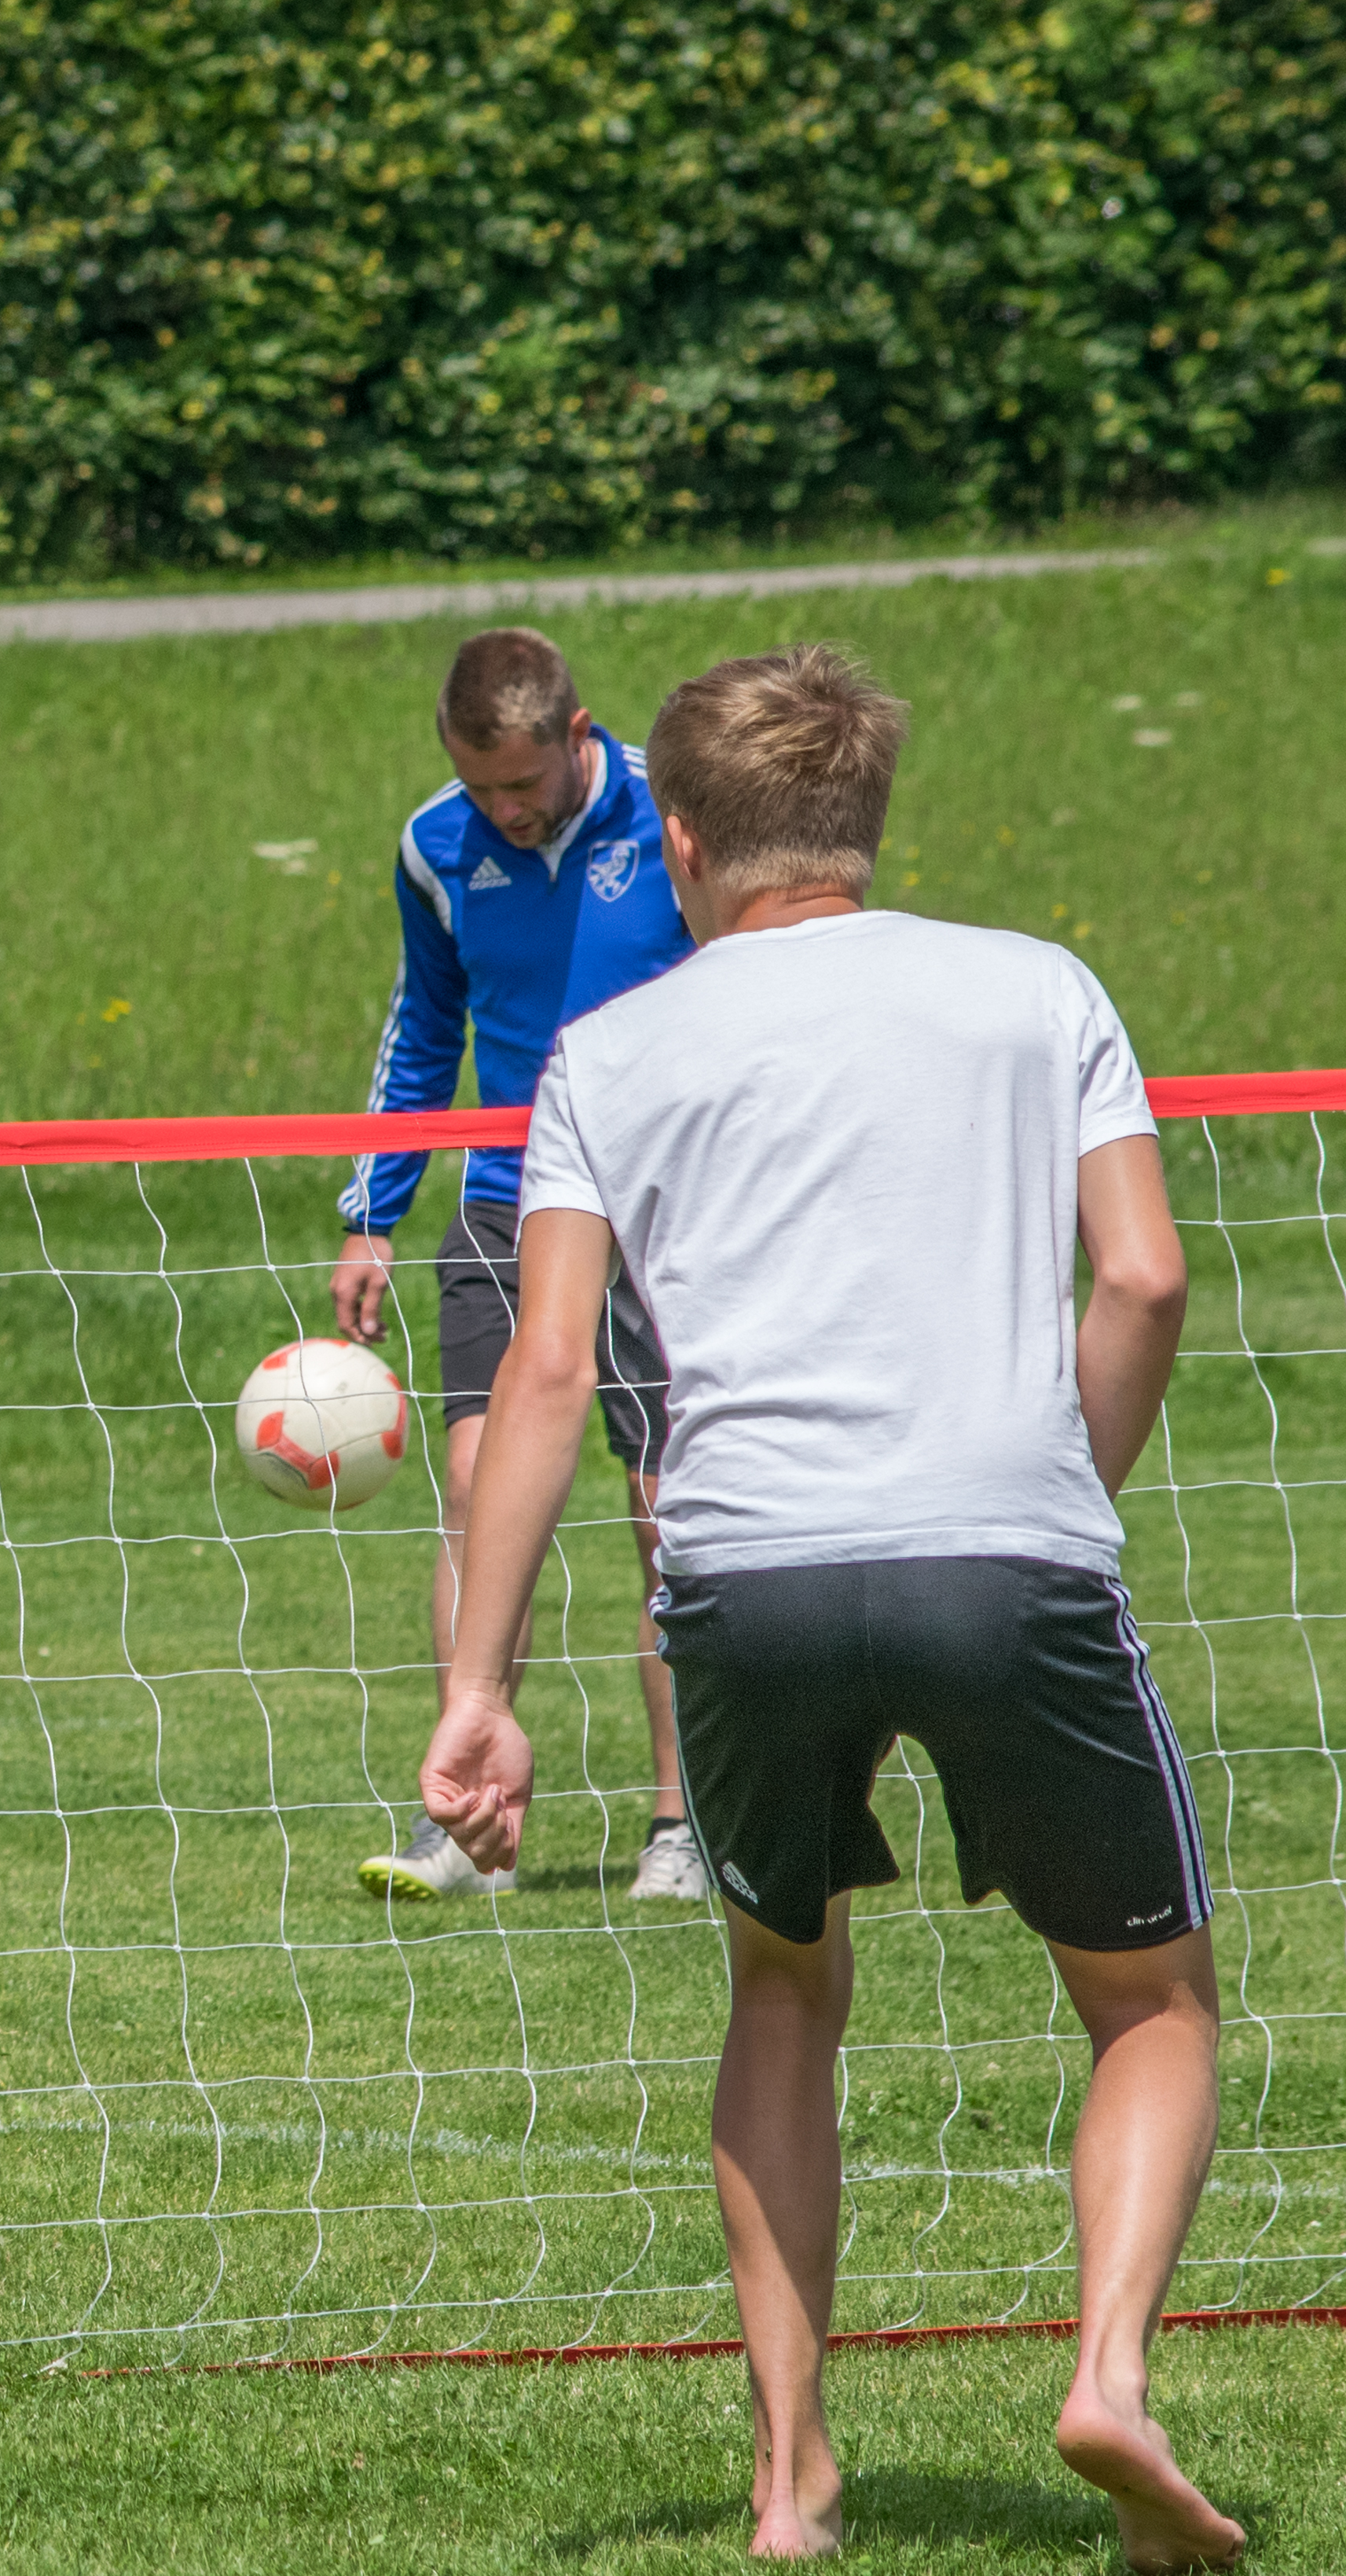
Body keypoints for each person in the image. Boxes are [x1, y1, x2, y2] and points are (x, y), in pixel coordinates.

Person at [422, 645, 1233, 2569]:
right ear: (868, 826)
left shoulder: (613, 1051)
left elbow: (545, 1377)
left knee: (784, 1985)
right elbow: (1145, 1283)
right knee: (1148, 1997)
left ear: (681, 839)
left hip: (743, 1565)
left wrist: (482, 1685)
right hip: (1005, 1545)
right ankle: (1107, 2370)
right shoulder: (1040, 987)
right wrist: (1051, 1496)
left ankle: (793, 2477)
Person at [334, 627, 700, 1904]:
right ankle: (467, 1819)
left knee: (668, 1508)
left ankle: (683, 1822)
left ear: (579, 734)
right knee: (480, 1479)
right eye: (483, 786)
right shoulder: (435, 846)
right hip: (506, 1200)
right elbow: (424, 1025)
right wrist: (372, 1214)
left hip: (666, 1210)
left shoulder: (681, 813)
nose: (506, 809)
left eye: (526, 785)